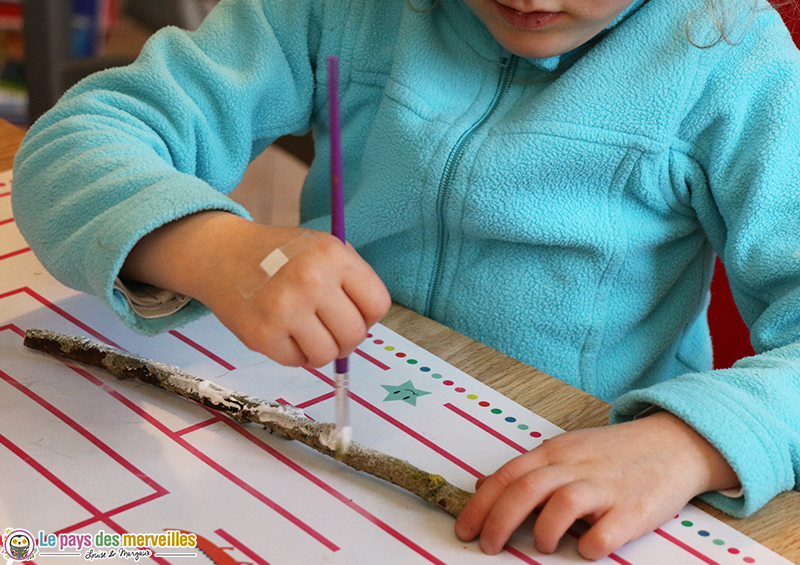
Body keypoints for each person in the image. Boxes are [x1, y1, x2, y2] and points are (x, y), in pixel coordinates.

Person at [12, 0, 800, 559]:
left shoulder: (736, 60)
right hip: (306, 426)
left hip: (578, 486)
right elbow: (72, 144)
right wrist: (211, 246)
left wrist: (689, 444)